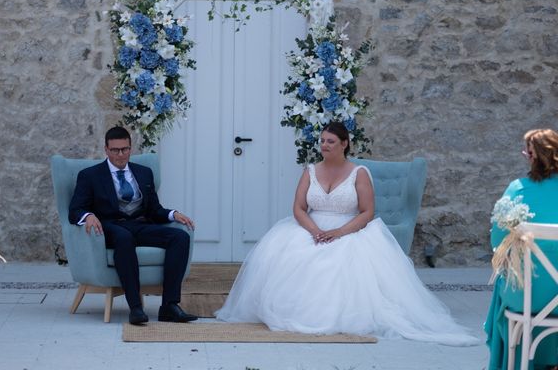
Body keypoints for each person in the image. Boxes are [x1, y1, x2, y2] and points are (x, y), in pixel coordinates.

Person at [216, 121, 478, 345]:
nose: (325, 146)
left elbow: (367, 212)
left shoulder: (359, 173)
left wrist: (338, 232)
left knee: (337, 265)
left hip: (349, 229)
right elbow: (298, 207)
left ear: (344, 144)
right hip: (312, 227)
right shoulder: (310, 171)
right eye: (322, 141)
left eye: (331, 141)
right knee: (291, 257)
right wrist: (315, 230)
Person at [69, 126, 197, 324]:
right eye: (115, 150)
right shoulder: (90, 175)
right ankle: (136, 308)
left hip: (139, 225)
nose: (121, 154)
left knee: (179, 237)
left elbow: (154, 210)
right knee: (124, 237)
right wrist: (88, 216)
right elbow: (74, 210)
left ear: (130, 148)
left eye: (125, 149)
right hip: (111, 227)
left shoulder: (144, 173)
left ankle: (169, 306)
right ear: (106, 150)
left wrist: (173, 214)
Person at [485, 128, 558, 370]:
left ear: (532, 156)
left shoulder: (518, 189)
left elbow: (498, 240)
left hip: (531, 296)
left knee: (506, 282)